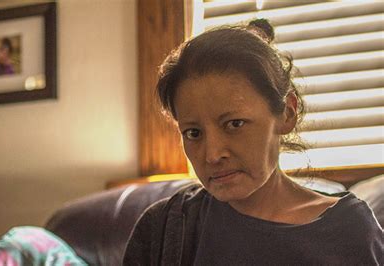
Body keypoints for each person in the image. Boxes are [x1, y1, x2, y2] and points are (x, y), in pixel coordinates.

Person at [123, 19, 383, 265]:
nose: (212, 155)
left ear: (287, 113)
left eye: (234, 124)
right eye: (193, 133)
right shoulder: (164, 230)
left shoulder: (348, 232)